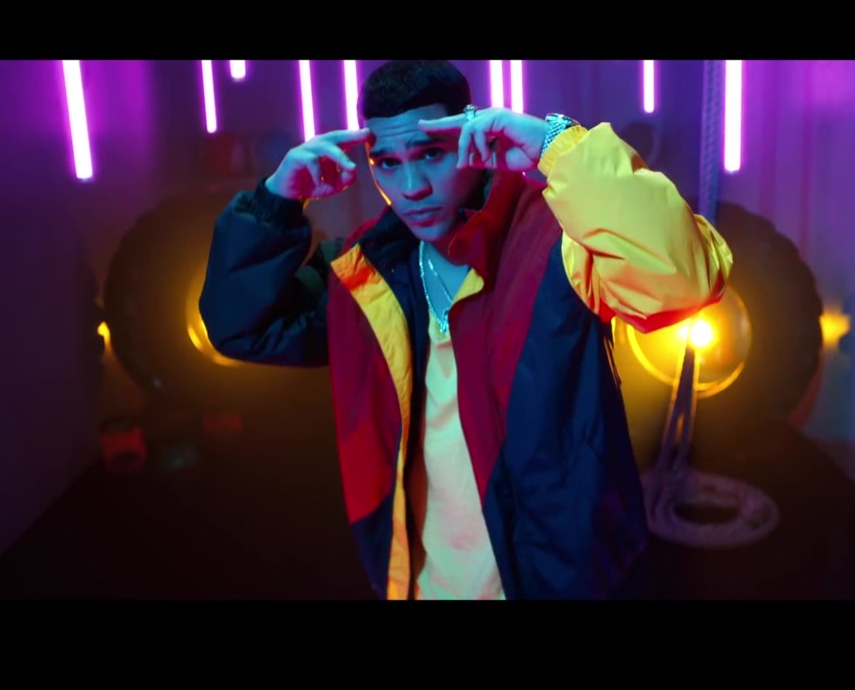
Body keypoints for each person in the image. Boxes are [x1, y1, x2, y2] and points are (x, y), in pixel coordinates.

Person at [199, 60, 734, 600]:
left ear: (469, 136)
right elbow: (240, 328)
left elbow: (684, 281)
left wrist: (555, 144)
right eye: (387, 163)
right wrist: (275, 202)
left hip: (562, 579)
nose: (411, 187)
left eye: (431, 154)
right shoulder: (367, 268)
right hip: (423, 584)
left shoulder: (555, 241)